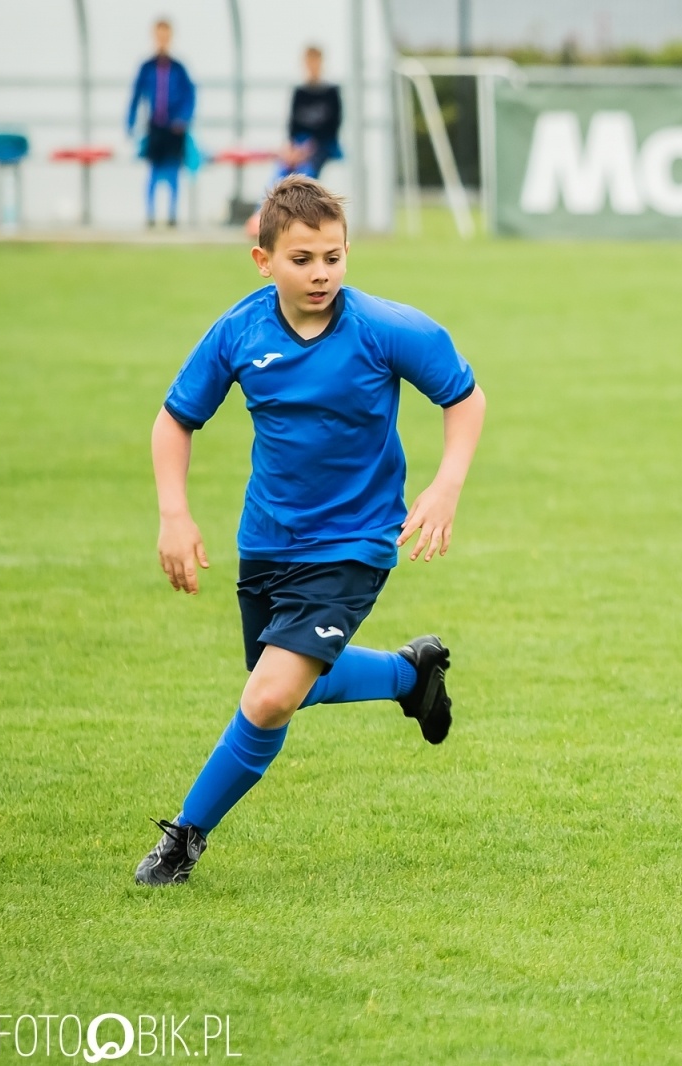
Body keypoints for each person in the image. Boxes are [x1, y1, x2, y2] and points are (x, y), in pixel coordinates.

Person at [134, 176, 488, 886]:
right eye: (302, 259)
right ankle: (409, 675)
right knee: (283, 683)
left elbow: (464, 396)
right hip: (267, 541)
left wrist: (446, 485)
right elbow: (174, 421)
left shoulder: (386, 329)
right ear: (264, 260)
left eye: (333, 256)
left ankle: (183, 840)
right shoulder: (241, 332)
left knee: (268, 696)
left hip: (354, 542)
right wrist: (174, 513)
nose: (321, 273)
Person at [126, 19, 196, 228]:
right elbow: (136, 96)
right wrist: (130, 122)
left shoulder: (179, 68)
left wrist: (183, 119)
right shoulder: (147, 67)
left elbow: (190, 95)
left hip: (174, 129)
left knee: (173, 171)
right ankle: (150, 215)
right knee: (154, 172)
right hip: (155, 127)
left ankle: (172, 215)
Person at [280, 46, 343, 180]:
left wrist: (310, 147)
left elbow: (334, 126)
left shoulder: (332, 92)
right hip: (301, 143)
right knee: (283, 168)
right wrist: (293, 147)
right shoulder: (299, 92)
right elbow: (293, 125)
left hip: (324, 145)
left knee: (307, 170)